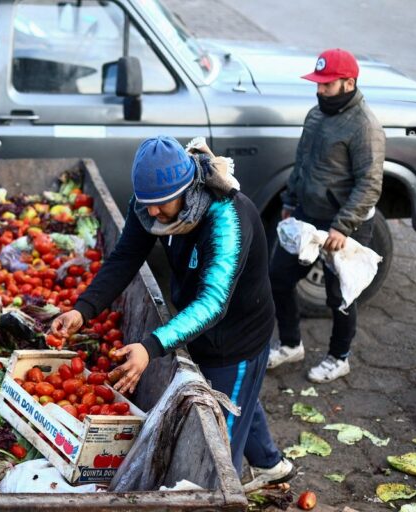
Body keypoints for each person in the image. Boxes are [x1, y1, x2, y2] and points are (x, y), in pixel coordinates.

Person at [50, 136, 293, 491]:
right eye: (146, 205)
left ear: (186, 189)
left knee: (217, 447)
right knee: (239, 397)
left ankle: (223, 492)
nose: (151, 213)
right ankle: (272, 465)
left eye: (160, 205)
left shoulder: (227, 220)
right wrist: (82, 310)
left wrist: (149, 347)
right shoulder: (151, 202)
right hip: (195, 325)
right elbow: (125, 257)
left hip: (235, 337)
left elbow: (213, 304)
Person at [267, 48, 385, 383]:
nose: (319, 90)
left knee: (340, 295)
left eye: (327, 85)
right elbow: (302, 162)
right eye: (318, 84)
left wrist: (342, 227)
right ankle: (291, 344)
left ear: (348, 83)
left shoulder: (365, 126)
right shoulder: (315, 115)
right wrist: (289, 201)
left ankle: (339, 356)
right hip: (306, 215)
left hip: (345, 225)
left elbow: (370, 184)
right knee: (278, 277)